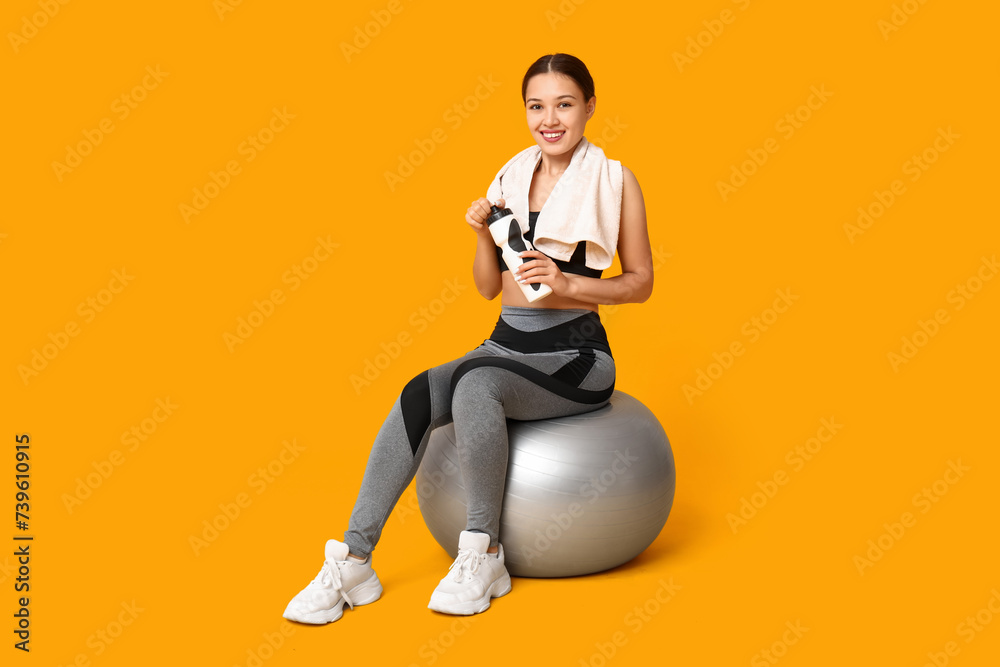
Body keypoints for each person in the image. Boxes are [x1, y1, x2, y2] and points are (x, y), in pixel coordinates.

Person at [283, 52, 653, 623]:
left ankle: (484, 553)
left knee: (476, 387)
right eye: (536, 106)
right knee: (417, 391)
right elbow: (488, 288)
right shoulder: (510, 175)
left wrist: (569, 285)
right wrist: (481, 234)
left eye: (564, 103)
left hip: (577, 355)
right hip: (506, 345)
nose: (549, 118)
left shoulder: (613, 179)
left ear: (589, 107)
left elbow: (640, 284)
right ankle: (353, 559)